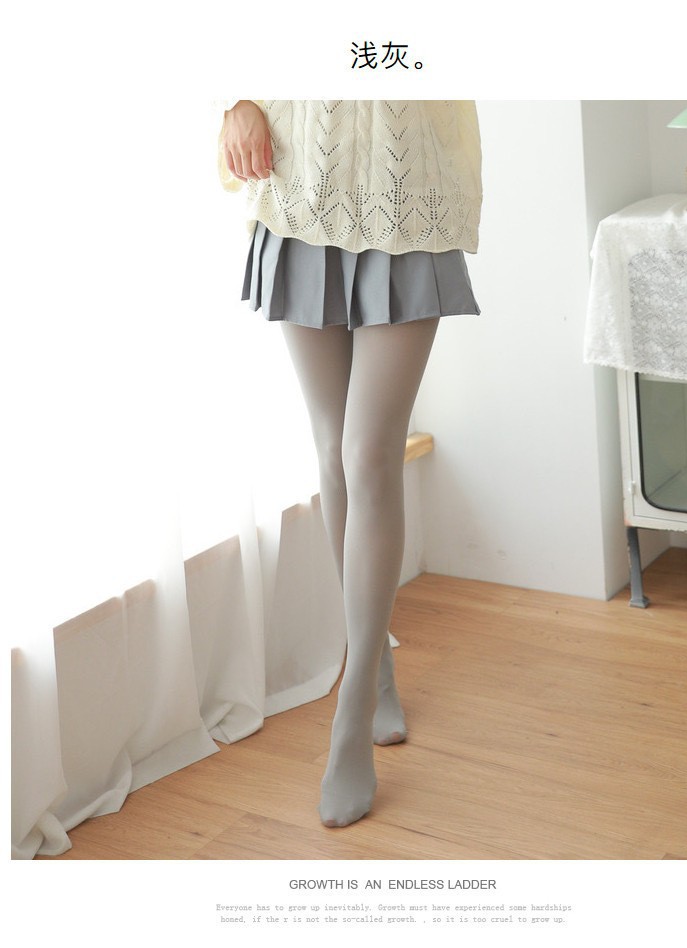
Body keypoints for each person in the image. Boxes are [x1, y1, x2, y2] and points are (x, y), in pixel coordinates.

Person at [219, 100, 482, 827]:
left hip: (407, 197)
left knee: (369, 454)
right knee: (334, 454)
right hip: (300, 190)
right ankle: (376, 663)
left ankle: (354, 700)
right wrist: (234, 101)